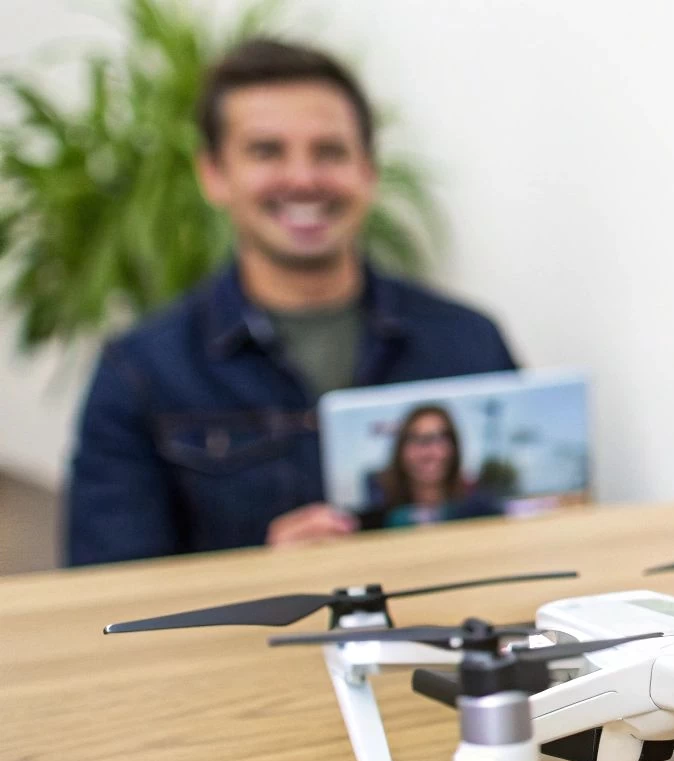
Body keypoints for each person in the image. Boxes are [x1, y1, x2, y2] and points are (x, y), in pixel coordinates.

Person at [64, 38, 516, 566]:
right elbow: (107, 587)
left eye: (329, 151)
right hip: (235, 648)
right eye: (266, 151)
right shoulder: (139, 373)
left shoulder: (469, 343)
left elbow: (535, 538)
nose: (303, 178)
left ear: (367, 171)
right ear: (214, 175)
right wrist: (263, 574)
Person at [367, 404, 503, 528]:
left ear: (454, 447)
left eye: (439, 439)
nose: (429, 453)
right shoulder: (377, 508)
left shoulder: (479, 505)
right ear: (400, 450)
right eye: (417, 440)